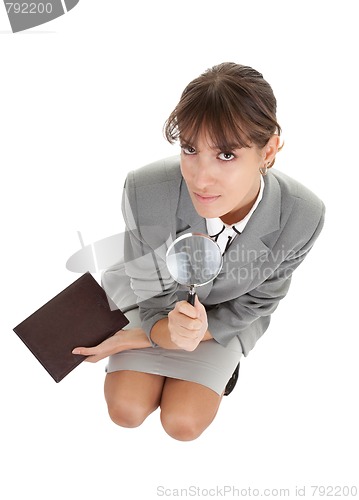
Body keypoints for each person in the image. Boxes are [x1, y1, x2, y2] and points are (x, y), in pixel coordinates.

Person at [72, 62, 325, 441]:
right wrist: (157, 330)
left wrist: (140, 337)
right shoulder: (145, 190)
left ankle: (222, 364)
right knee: (126, 410)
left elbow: (256, 304)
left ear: (269, 150)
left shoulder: (302, 215)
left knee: (182, 424)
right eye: (190, 149)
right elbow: (152, 295)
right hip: (153, 304)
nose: (200, 179)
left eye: (226, 155)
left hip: (226, 316)